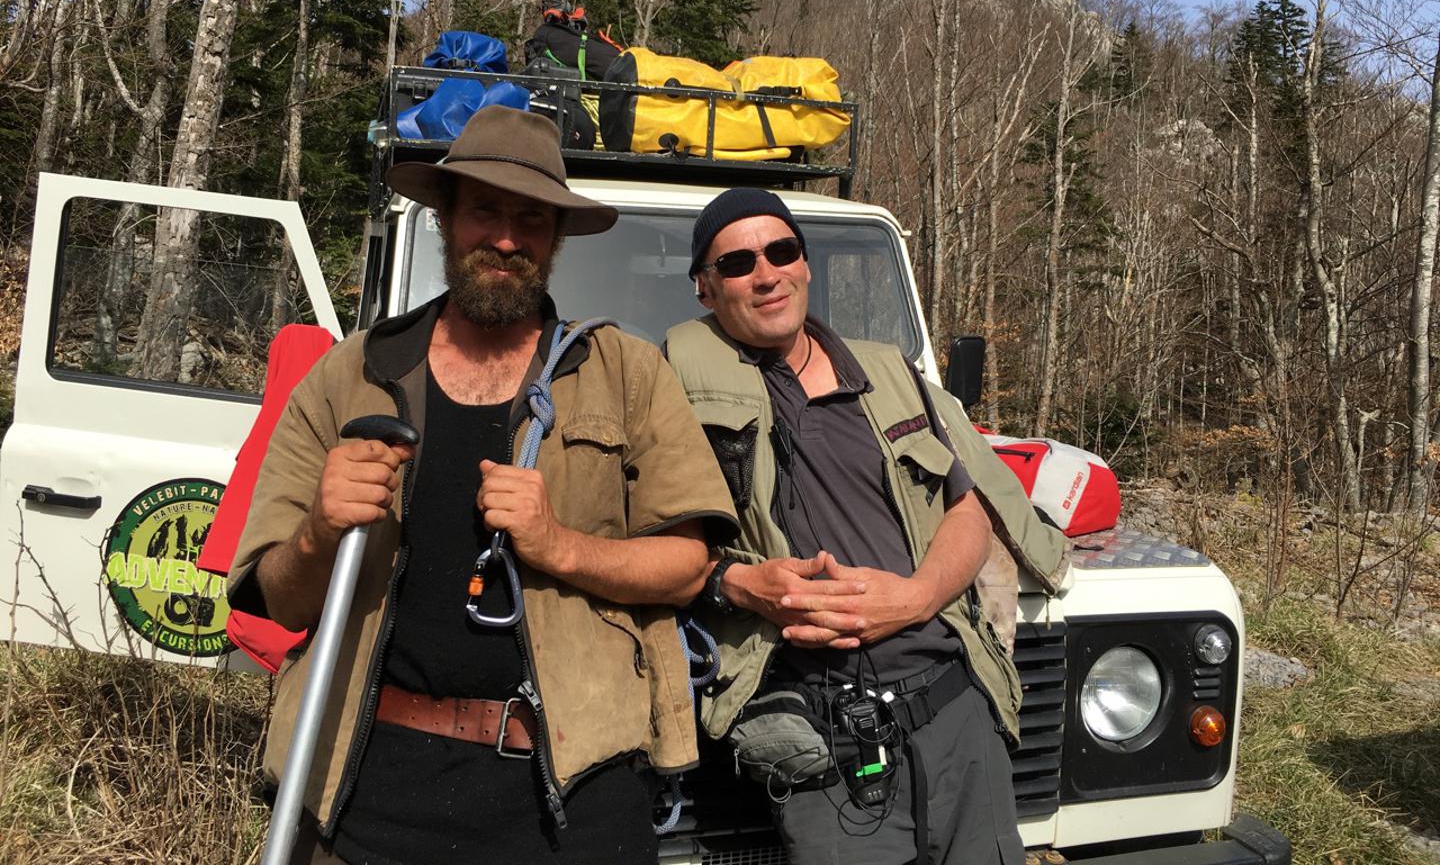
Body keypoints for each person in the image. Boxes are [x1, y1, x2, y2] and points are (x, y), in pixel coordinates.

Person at [228, 106, 738, 865]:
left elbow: (688, 566)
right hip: (360, 792)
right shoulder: (351, 373)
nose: (506, 238)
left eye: (531, 219)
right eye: (485, 211)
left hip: (574, 805)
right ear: (444, 216)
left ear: (556, 237)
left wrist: (558, 546)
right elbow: (279, 599)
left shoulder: (627, 373)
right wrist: (318, 532)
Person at [665, 188, 1069, 865]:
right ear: (705, 289)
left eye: (781, 251)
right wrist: (737, 584)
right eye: (737, 263)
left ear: (805, 264)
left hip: (954, 709)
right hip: (821, 734)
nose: (766, 274)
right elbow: (644, 544)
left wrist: (915, 598)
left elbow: (968, 508)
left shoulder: (889, 374)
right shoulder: (670, 387)